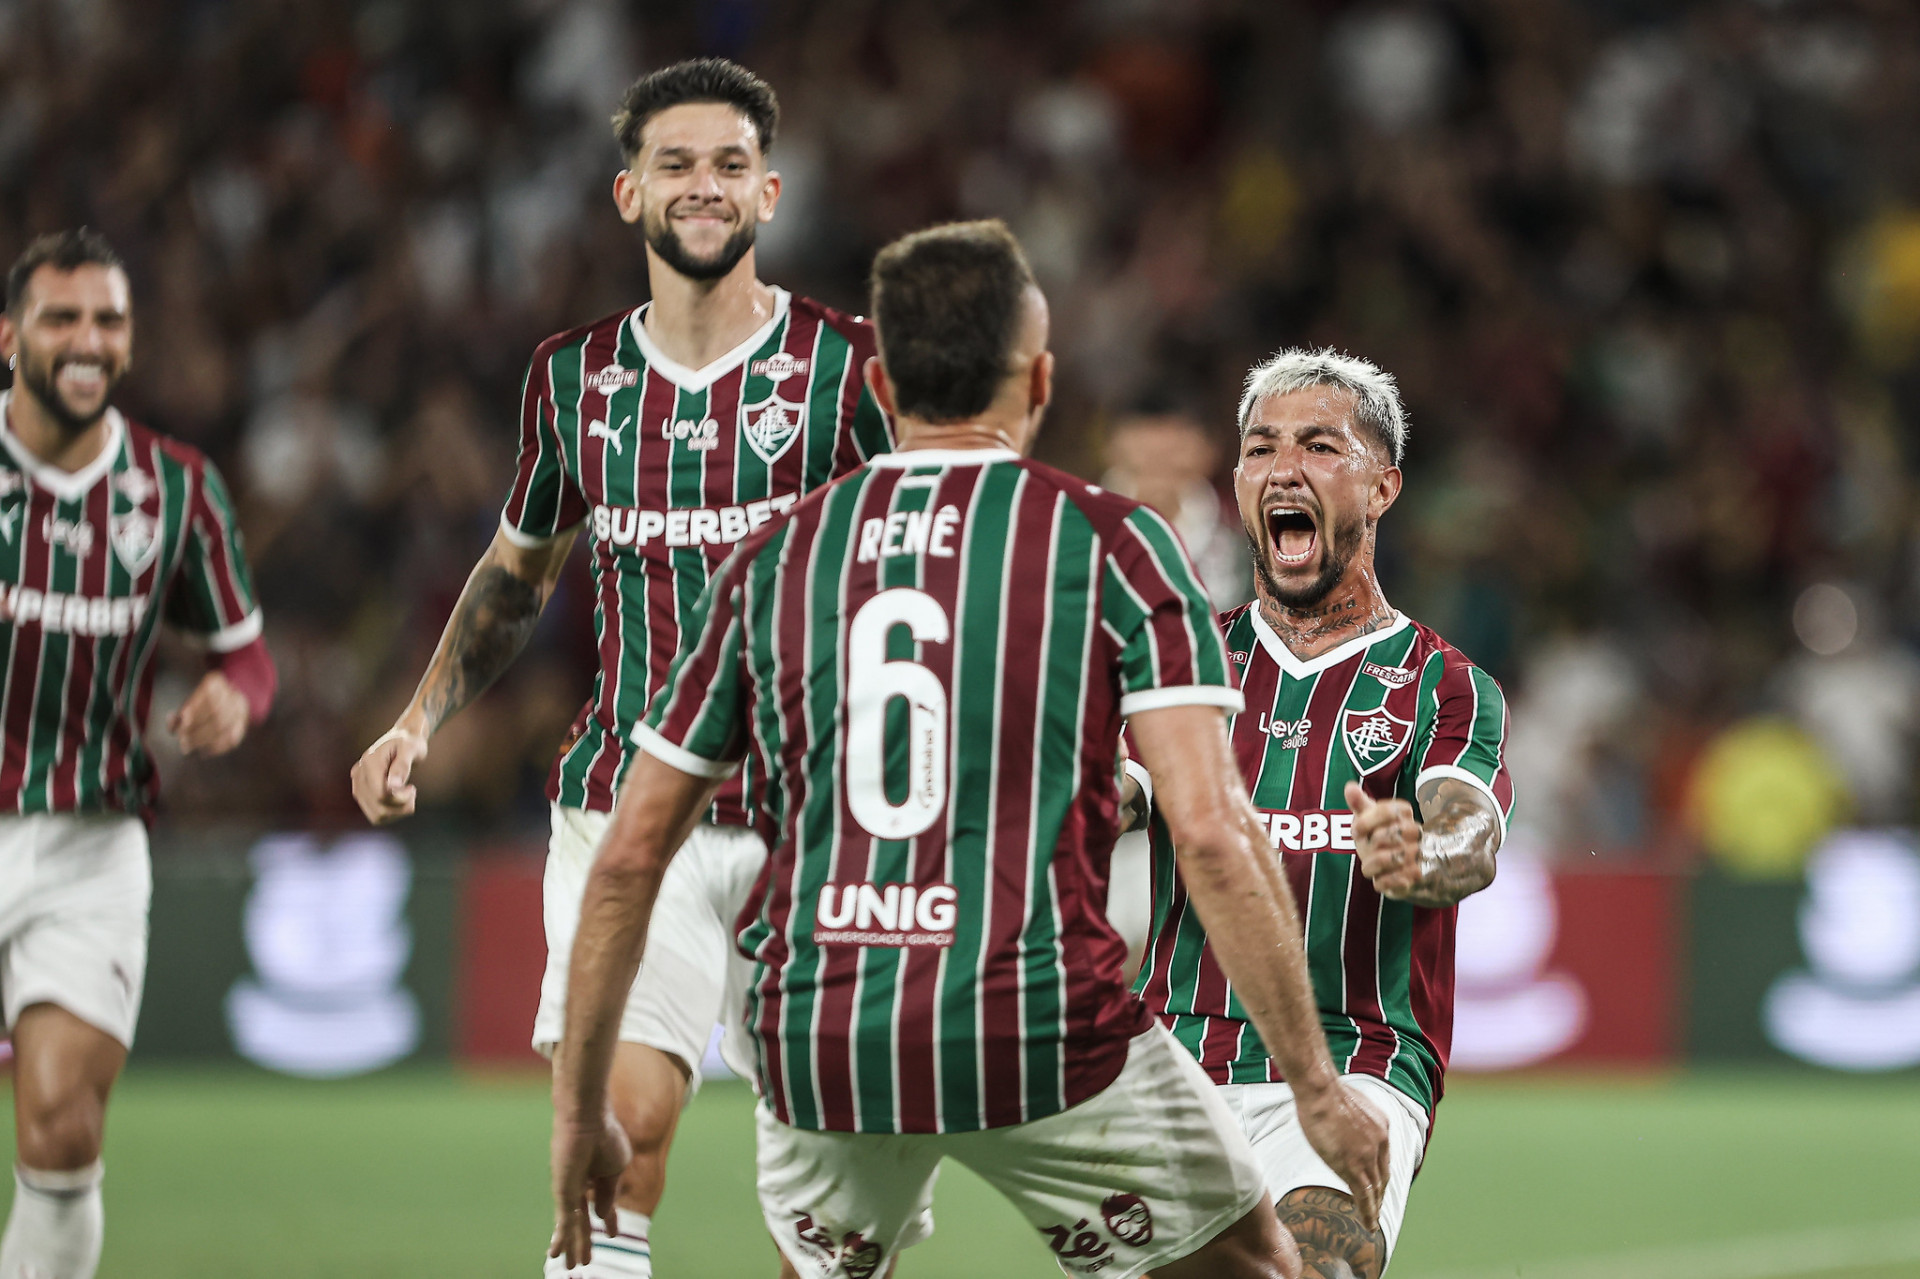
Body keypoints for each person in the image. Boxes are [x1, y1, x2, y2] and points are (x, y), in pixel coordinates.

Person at [548, 220, 1390, 1279]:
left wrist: (579, 1111)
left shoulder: (773, 559)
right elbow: (1215, 836)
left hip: (824, 1034)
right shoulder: (1113, 544)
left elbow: (627, 856)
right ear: (1039, 379)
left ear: (878, 380)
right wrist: (1316, 1087)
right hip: (1037, 1021)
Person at [348, 58, 890, 1278]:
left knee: (837, 1213)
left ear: (771, 193)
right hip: (627, 808)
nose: (704, 187)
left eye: (730, 167)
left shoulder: (854, 371)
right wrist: (417, 719)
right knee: (619, 1137)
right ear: (625, 193)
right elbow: (517, 571)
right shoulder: (571, 378)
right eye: (677, 165)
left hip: (820, 827)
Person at [1129, 348, 1513, 1278]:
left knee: (1316, 1266)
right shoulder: (1179, 666)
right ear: (1238, 482)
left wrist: (1432, 854)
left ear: (1382, 487)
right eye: (1261, 448)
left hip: (1359, 1060)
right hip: (1173, 1058)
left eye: (1318, 446)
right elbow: (1107, 793)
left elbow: (1473, 829)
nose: (1285, 468)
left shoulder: (1444, 684)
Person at [0, 228, 275, 1279]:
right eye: (61, 317)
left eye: (107, 319)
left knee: (64, 1125)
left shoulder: (177, 488)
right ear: (10, 335)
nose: (86, 340)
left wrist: (229, 702)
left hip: (89, 841)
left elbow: (249, 661)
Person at [1101, 409, 1252, 610]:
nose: (1160, 453)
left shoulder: (1245, 536)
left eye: (1176, 443)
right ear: (1112, 447)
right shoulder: (1068, 532)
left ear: (1210, 450)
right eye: (1146, 443)